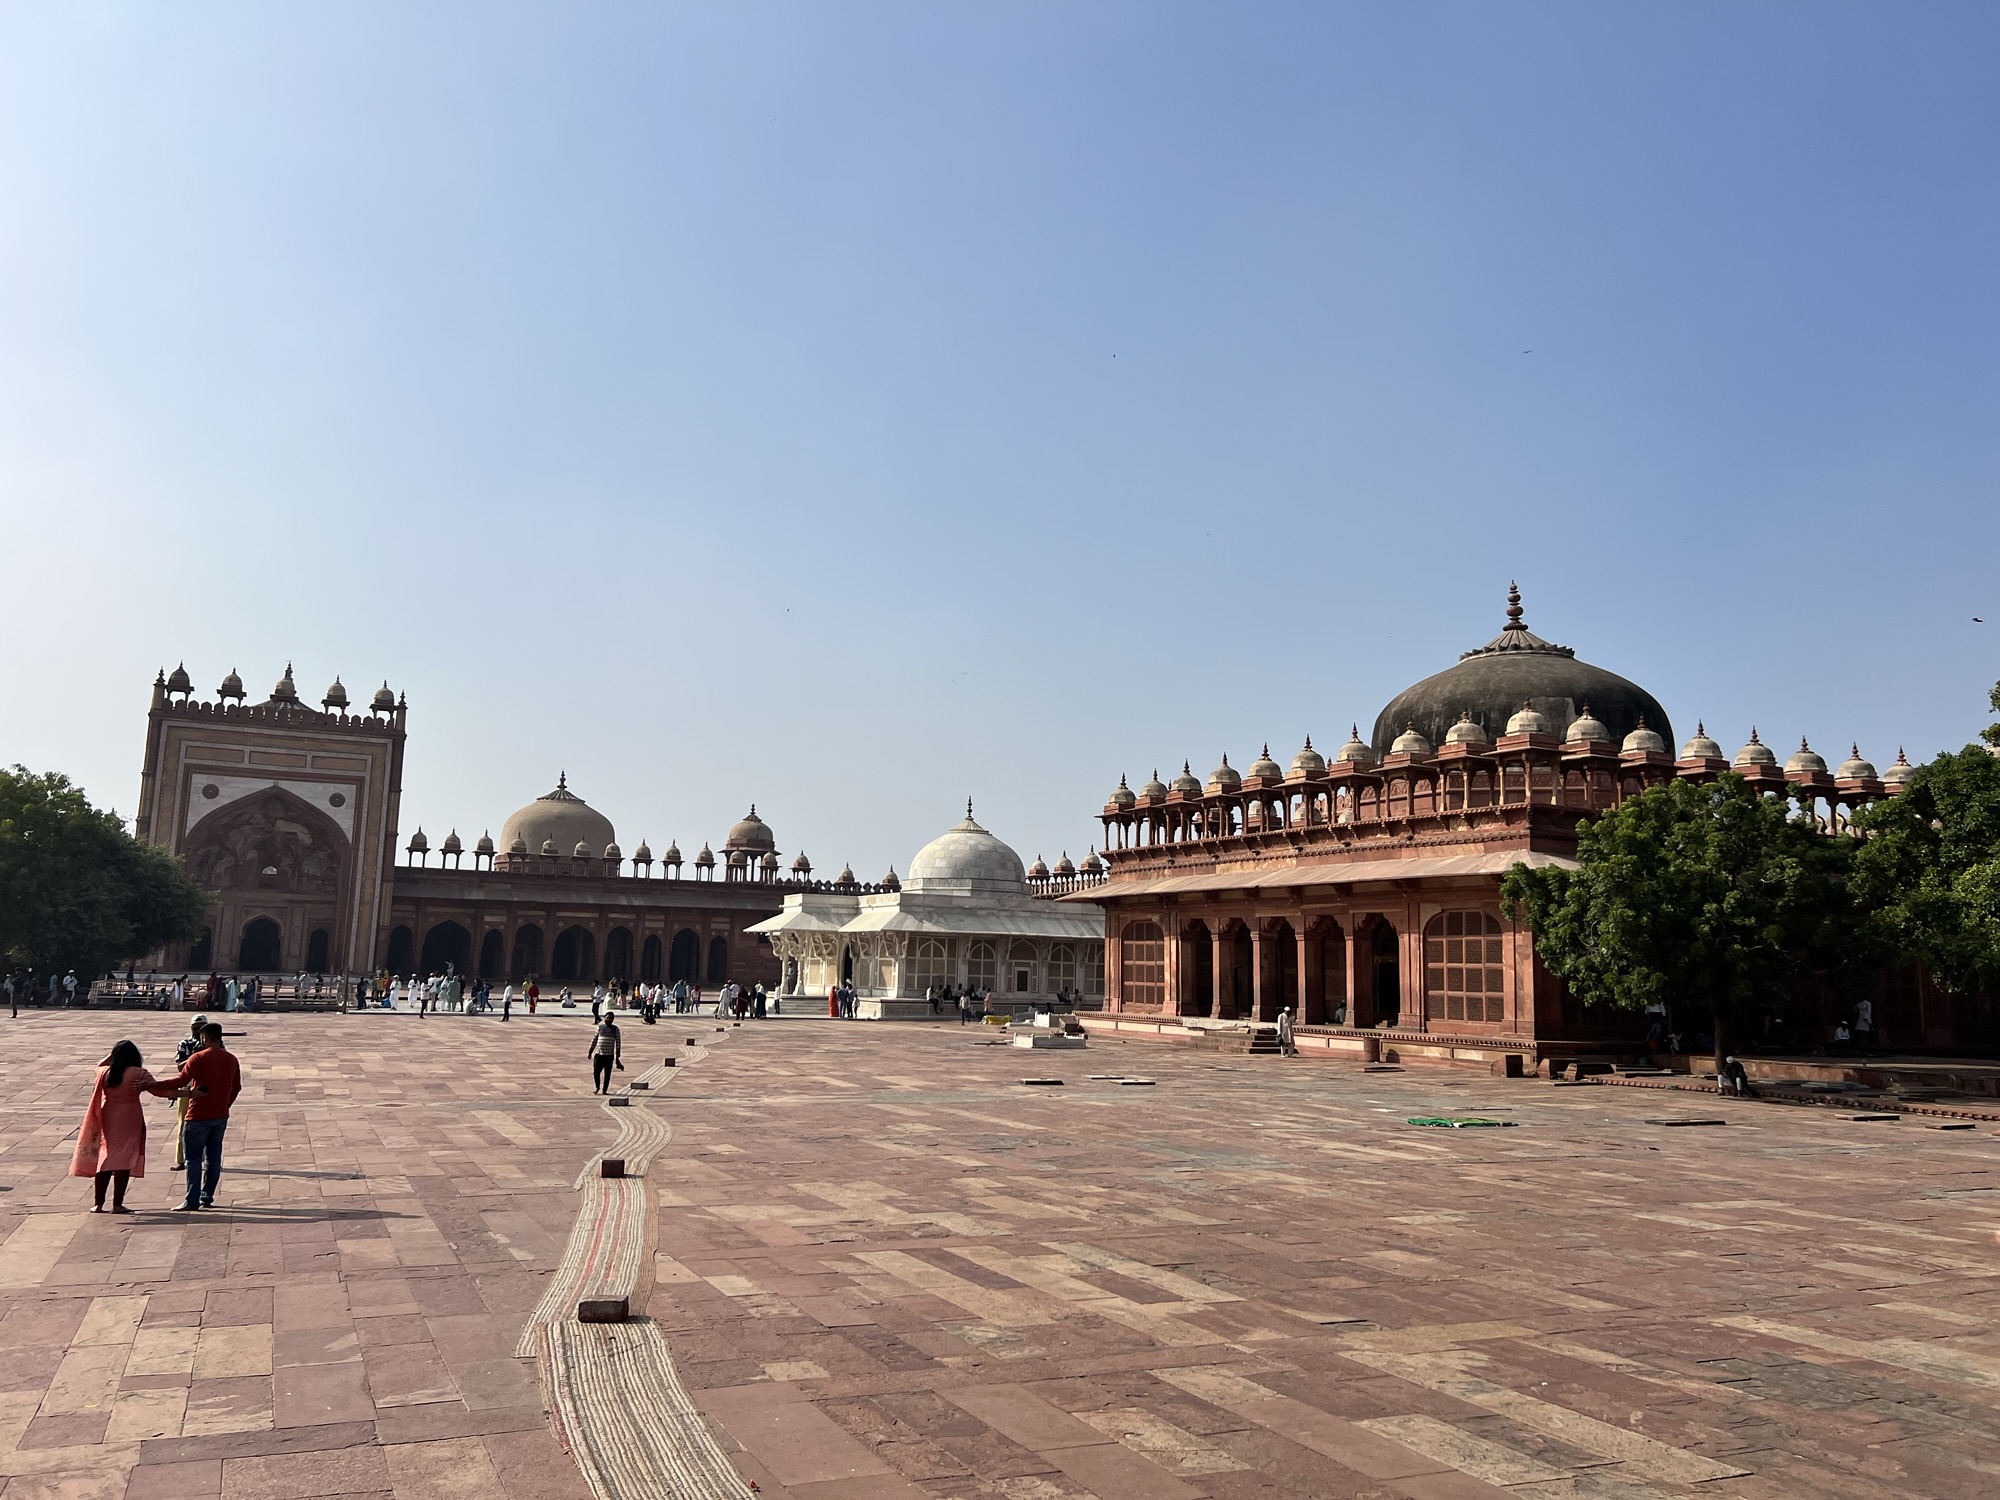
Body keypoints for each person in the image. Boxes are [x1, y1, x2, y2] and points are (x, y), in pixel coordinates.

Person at [148, 1022, 242, 1210]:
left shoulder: (198, 1057)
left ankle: (191, 1200)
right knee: (213, 1158)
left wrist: (154, 1084)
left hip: (197, 1114)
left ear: (204, 1038)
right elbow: (236, 1087)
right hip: (220, 1115)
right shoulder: (231, 1059)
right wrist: (225, 1104)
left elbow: (181, 1080)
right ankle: (206, 1196)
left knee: (192, 1159)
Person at [71, 1040, 162, 1212]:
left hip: (108, 1114)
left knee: (105, 1156)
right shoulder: (138, 1073)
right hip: (130, 1116)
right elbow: (158, 1089)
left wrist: (113, 1056)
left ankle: (98, 1203)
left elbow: (99, 1064)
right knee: (125, 1157)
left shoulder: (105, 1072)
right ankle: (117, 1203)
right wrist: (184, 1093)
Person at [588, 1013, 623, 1093]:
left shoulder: (615, 1029)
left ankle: (604, 1090)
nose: (609, 1019)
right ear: (604, 1018)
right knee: (596, 1072)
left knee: (607, 1073)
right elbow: (594, 1040)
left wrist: (618, 1054)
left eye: (610, 1018)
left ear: (613, 1019)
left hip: (609, 1055)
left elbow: (618, 1042)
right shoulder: (600, 1028)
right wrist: (590, 1051)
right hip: (599, 1054)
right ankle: (597, 1087)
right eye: (607, 1018)